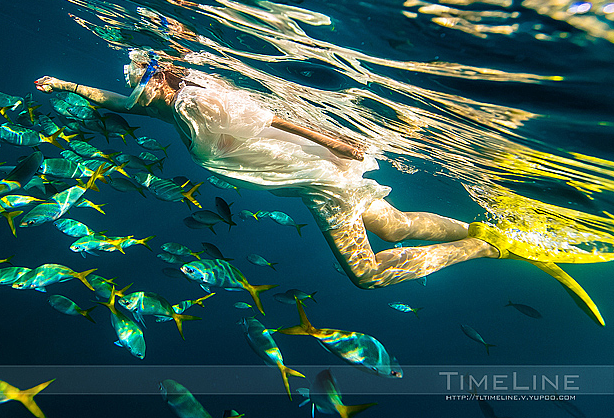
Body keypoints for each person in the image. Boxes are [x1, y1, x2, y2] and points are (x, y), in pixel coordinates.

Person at [35, 49, 611, 321]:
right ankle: (495, 231)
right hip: (314, 177)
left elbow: (274, 117)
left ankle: (484, 244)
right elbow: (121, 105)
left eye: (143, 83)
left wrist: (337, 145)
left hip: (315, 177)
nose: (139, 93)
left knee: (365, 274)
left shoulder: (202, 95)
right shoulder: (167, 107)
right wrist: (66, 83)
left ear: (161, 78)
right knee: (395, 224)